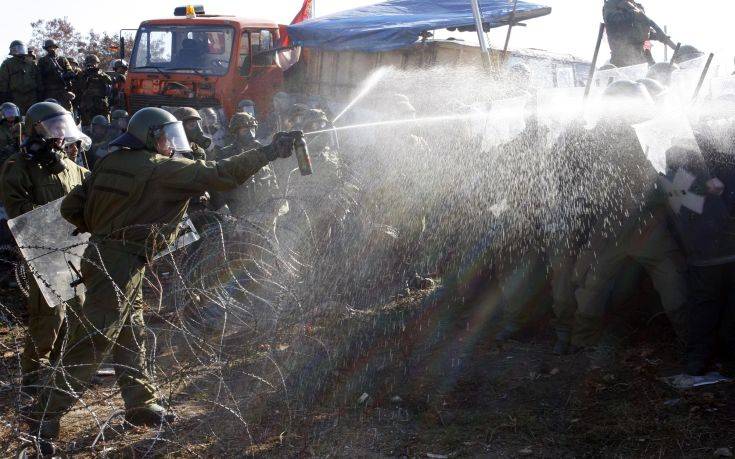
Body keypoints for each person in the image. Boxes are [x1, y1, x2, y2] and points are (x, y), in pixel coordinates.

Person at [28, 107, 299, 454]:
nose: (172, 146)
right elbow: (222, 174)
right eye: (167, 138)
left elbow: (71, 209)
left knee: (132, 331)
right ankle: (44, 414)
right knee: (95, 339)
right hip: (123, 259)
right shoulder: (161, 169)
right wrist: (268, 151)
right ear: (151, 136)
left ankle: (140, 401)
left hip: (104, 254)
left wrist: (109, 225)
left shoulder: (110, 162)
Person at [571, 80, 689, 365]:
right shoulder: (629, 135)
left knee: (595, 282)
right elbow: (664, 181)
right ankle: (691, 341)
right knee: (668, 280)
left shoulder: (602, 135)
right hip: (631, 225)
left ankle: (580, 339)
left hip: (620, 225)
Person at [0, 101, 89, 398]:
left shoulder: (72, 167)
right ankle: (34, 380)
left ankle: (60, 370)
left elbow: (97, 195)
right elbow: (20, 213)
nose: (60, 136)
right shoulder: (18, 167)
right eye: (54, 129)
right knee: (48, 319)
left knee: (77, 313)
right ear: (37, 131)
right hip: (45, 252)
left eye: (63, 128)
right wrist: (64, 219)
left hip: (75, 251)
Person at [212, 111, 276, 214]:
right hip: (239, 211)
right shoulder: (225, 154)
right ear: (235, 132)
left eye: (252, 129)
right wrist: (223, 208)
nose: (250, 134)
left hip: (264, 210)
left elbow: (271, 177)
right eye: (245, 130)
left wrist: (277, 203)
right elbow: (217, 185)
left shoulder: (262, 150)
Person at [602, 0, 665, 67]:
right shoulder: (611, 4)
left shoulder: (638, 6)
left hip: (640, 55)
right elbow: (611, 19)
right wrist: (632, 14)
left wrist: (658, 36)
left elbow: (644, 28)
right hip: (621, 55)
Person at [0, 40, 42, 113]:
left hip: (32, 95)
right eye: (16, 48)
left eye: (21, 48)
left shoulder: (31, 63)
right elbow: (3, 80)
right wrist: (4, 95)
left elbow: (38, 78)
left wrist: (40, 91)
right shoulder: (7, 63)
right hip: (15, 96)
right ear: (12, 50)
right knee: (17, 118)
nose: (19, 50)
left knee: (33, 117)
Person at [37, 39, 75, 111]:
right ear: (46, 49)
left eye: (53, 47)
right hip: (49, 92)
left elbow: (70, 71)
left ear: (56, 48)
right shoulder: (42, 61)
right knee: (49, 112)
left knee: (67, 111)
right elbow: (39, 76)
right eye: (49, 47)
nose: (52, 49)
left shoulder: (62, 59)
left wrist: (66, 75)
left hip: (62, 91)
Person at [74, 54, 112, 126]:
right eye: (90, 64)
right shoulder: (82, 74)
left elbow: (109, 82)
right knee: (87, 127)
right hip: (86, 106)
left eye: (94, 63)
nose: (92, 66)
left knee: (104, 126)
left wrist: (99, 74)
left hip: (101, 105)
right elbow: (78, 88)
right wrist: (86, 76)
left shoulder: (101, 74)